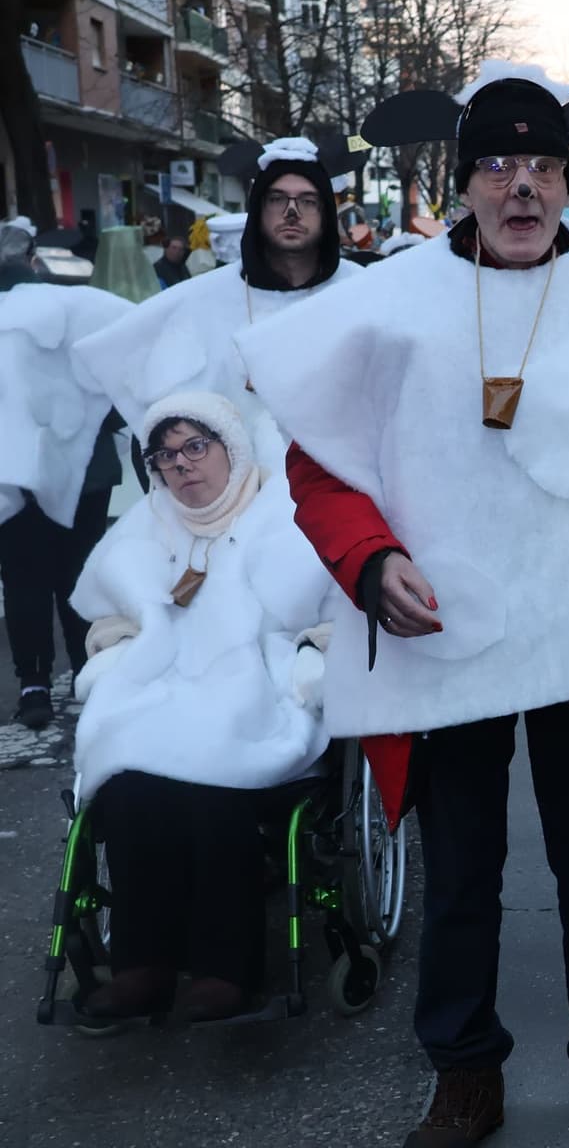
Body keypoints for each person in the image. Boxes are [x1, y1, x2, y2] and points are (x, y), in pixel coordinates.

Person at [235, 64, 569, 1148]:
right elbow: (322, 461)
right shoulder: (389, 305)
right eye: (497, 164)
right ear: (464, 179)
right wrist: (369, 558)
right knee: (461, 881)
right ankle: (465, 1069)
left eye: (541, 163)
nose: (521, 186)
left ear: (567, 176)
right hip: (449, 639)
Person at [67, 391, 333, 1024]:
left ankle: (223, 971)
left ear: (230, 447)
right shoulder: (147, 524)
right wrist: (114, 654)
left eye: (195, 446)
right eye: (166, 456)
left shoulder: (284, 512)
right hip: (164, 686)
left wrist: (312, 664)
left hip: (257, 689)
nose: (182, 466)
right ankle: (143, 966)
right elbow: (108, 621)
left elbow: (328, 611)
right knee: (129, 782)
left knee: (212, 774)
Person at [73, 138, 361, 463]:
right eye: (276, 199)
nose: (291, 211)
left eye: (308, 200)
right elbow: (120, 370)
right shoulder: (200, 299)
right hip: (234, 501)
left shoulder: (362, 291)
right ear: (258, 209)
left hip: (344, 493)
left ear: (325, 210)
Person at [0, 245, 129, 728]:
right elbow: (114, 401)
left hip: (13, 480)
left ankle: (34, 681)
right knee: (80, 573)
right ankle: (88, 668)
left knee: (24, 578)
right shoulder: (77, 320)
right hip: (87, 478)